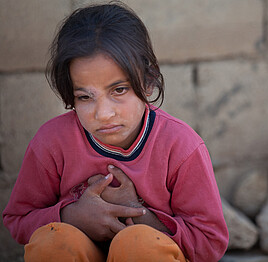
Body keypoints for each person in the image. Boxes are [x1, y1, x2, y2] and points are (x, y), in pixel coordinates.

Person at [3, 2, 229, 262]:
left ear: (147, 81)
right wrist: (71, 215)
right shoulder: (52, 143)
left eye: (119, 90)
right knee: (54, 242)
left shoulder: (181, 147)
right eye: (85, 96)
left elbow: (210, 242)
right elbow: (18, 219)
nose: (103, 113)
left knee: (138, 245)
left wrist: (135, 212)